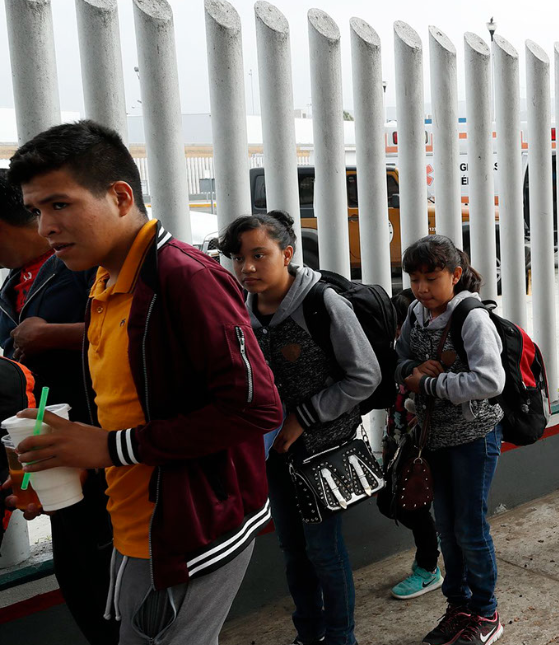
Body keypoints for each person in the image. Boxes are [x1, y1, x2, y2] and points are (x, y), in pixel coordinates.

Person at [7, 120, 283, 645]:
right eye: (36, 210)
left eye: (59, 205)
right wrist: (68, 456)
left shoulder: (185, 278)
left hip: (192, 532)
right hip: (134, 524)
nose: (45, 226)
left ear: (119, 195)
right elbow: (125, 408)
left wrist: (106, 447)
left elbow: (255, 409)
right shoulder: (106, 283)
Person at [219, 210, 380, 645]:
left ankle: (341, 637)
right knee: (293, 552)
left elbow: (365, 375)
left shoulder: (322, 303)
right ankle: (308, 633)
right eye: (238, 257)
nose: (247, 267)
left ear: (287, 253)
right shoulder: (242, 308)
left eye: (259, 255)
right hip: (274, 455)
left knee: (324, 551)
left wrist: (303, 417)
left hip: (322, 453)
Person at [0, 171, 118, 644]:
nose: (52, 225)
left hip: (100, 445)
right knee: (79, 577)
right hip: (49, 451)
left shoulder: (82, 266)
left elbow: (129, 330)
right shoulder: (13, 285)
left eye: (56, 208)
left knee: (111, 581)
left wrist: (52, 334)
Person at [396, 235, 506, 645]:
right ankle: (457, 608)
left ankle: (486, 613)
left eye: (432, 278)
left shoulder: (471, 318)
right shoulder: (414, 312)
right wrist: (409, 367)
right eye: (415, 279)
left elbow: (492, 380)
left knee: (470, 528)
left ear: (456, 276)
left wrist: (431, 385)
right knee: (446, 526)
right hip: (435, 438)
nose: (422, 288)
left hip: (475, 438)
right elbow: (400, 359)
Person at [376, 287, 444, 601]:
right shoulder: (403, 360)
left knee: (413, 507)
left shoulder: (429, 363)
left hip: (420, 448)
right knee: (393, 503)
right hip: (399, 443)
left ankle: (428, 567)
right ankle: (430, 553)